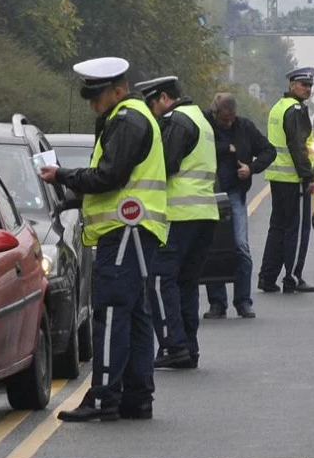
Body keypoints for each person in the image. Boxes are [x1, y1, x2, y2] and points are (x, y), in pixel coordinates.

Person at [39, 58, 167, 422]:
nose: (93, 104)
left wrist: (62, 175)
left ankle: (103, 397)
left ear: (118, 90)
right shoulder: (127, 118)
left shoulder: (127, 120)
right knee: (135, 313)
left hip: (125, 231)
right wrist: (73, 196)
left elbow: (110, 176)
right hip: (135, 230)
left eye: (97, 97)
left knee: (110, 312)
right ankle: (137, 397)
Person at [135, 76, 219, 370]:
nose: (152, 112)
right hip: (204, 213)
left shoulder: (177, 121)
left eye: (152, 104)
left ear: (163, 98)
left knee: (159, 279)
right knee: (186, 282)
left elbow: (165, 165)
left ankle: (173, 345)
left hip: (178, 213)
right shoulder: (201, 120)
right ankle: (188, 347)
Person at [203, 93, 275, 320]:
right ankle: (217, 303)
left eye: (232, 118)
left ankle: (243, 301)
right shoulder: (203, 124)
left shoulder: (244, 127)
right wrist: (227, 148)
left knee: (240, 246)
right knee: (211, 247)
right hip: (207, 195)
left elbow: (268, 150)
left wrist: (251, 168)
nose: (229, 122)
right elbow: (198, 148)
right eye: (224, 119)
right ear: (214, 113)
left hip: (235, 193)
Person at [258, 67, 314, 295]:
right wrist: (308, 176)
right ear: (292, 85)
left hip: (278, 177)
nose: (308, 89)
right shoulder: (295, 110)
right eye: (304, 85)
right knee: (298, 229)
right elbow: (298, 146)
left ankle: (267, 277)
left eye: (310, 86)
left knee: (277, 228)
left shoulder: (278, 107)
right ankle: (293, 277)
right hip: (294, 179)